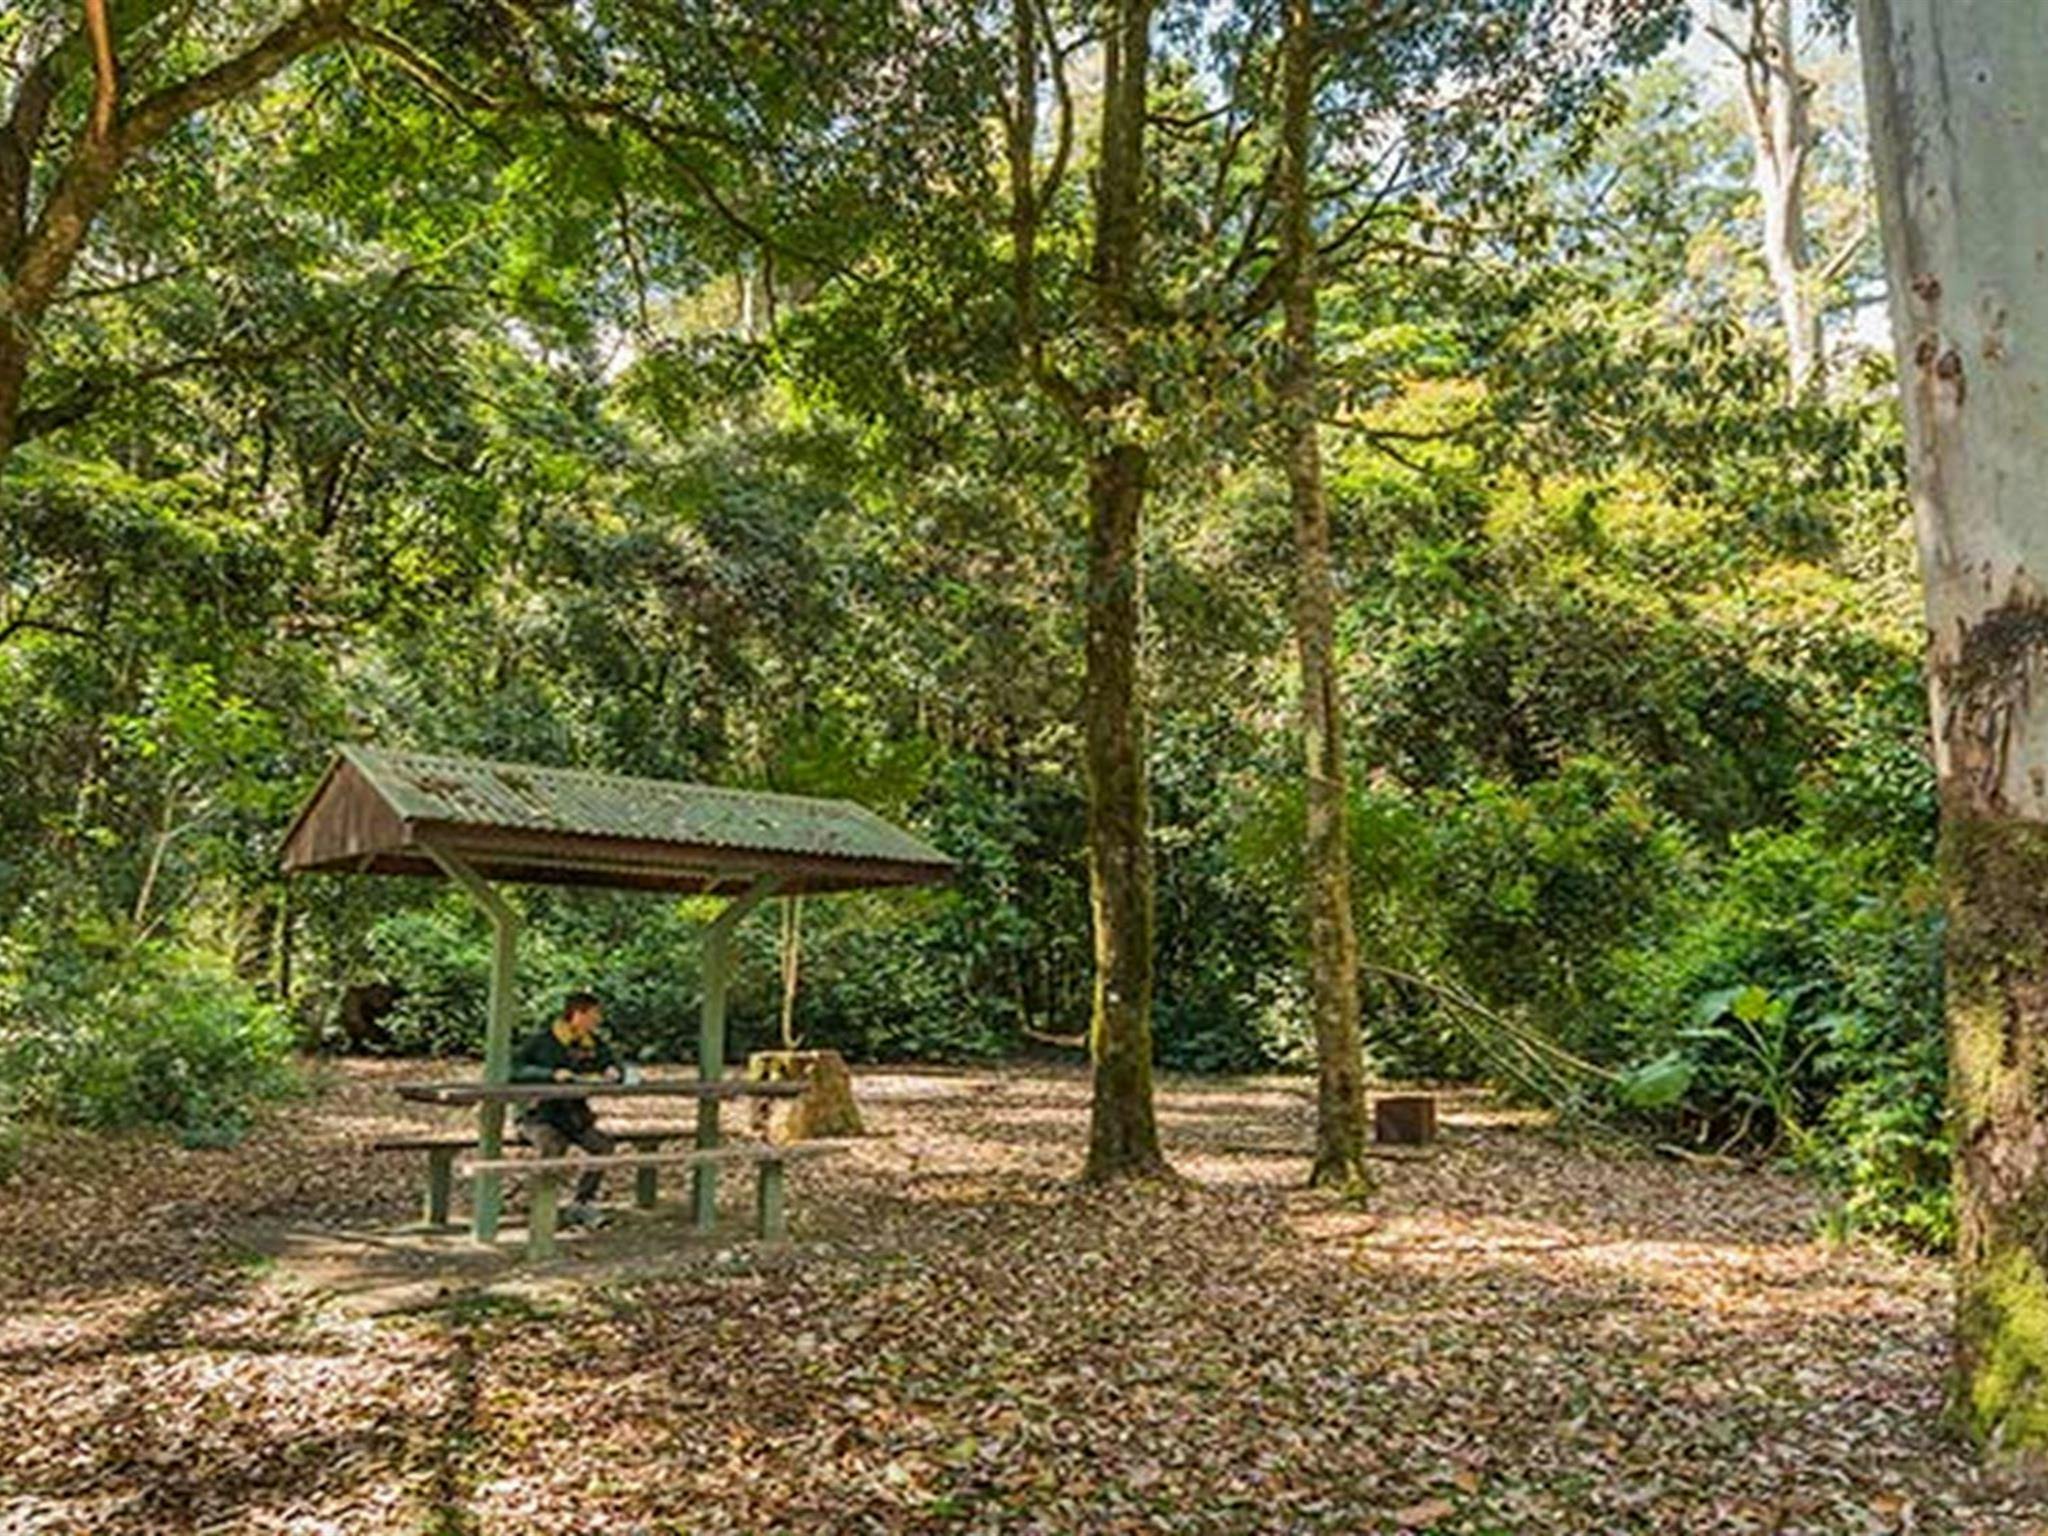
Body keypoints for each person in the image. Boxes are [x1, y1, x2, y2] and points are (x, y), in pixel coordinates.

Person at [511, 990, 622, 1226]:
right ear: (577, 1014)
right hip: (537, 1116)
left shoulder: (592, 1042)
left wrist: (613, 1070)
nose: (598, 1020)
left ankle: (582, 1203)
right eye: (594, 1014)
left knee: (603, 1147)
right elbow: (513, 1069)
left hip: (573, 1116)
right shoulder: (542, 1041)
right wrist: (549, 1074)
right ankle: (544, 1209)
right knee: (553, 1145)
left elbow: (612, 1062)